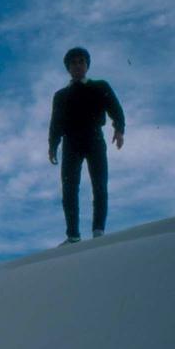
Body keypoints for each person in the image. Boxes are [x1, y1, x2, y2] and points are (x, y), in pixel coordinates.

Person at [48, 46, 125, 244]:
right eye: (73, 62)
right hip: (71, 142)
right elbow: (55, 123)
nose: (78, 65)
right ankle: (73, 235)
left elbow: (115, 109)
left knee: (99, 184)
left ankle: (98, 230)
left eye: (81, 61)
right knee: (69, 188)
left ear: (87, 65)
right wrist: (52, 145)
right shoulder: (61, 95)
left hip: (94, 139)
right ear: (68, 67)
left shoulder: (100, 86)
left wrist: (119, 129)